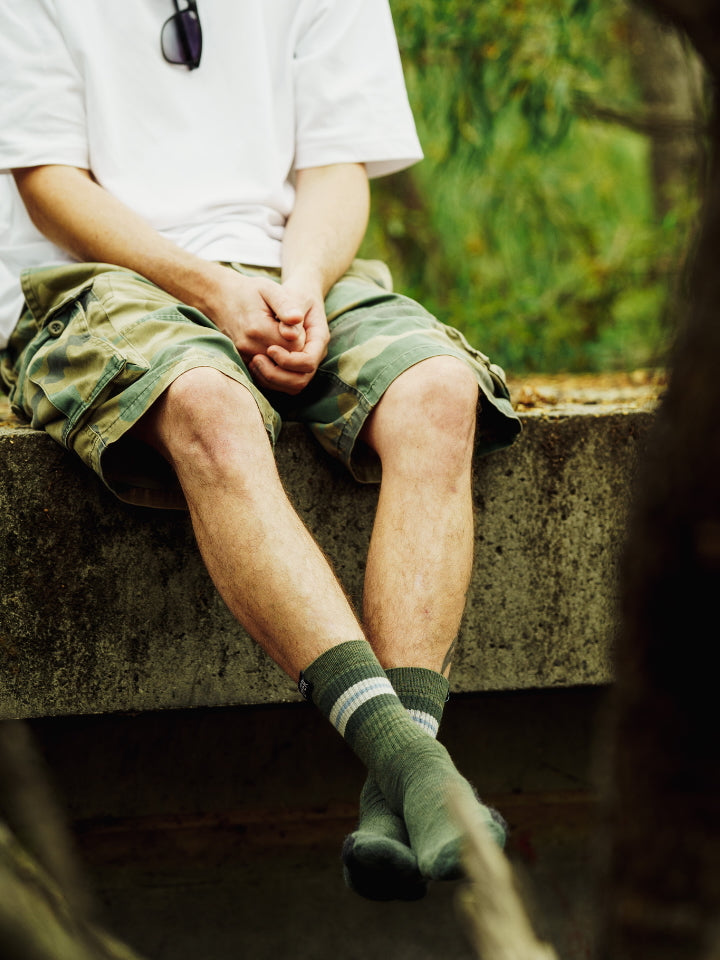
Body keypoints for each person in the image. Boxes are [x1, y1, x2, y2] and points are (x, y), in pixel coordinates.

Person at [0, 0, 521, 901]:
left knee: (438, 390)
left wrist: (302, 288)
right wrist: (206, 288)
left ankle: (402, 779)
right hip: (91, 280)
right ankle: (421, 770)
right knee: (209, 406)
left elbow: (334, 169)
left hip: (287, 269)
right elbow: (50, 182)